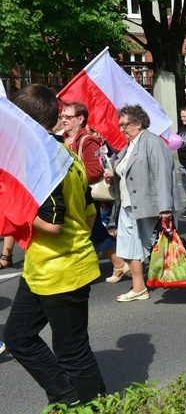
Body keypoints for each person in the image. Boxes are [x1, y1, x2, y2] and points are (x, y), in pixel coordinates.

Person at [3, 84, 106, 410]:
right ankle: (66, 397)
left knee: (73, 350)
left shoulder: (42, 158)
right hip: (45, 268)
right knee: (18, 337)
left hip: (61, 270)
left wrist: (7, 210)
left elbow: (52, 222)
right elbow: (89, 214)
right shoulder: (65, 154)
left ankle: (100, 413)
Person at [107, 105, 186, 301]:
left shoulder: (153, 142)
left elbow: (162, 177)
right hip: (129, 205)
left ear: (138, 123)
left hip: (151, 206)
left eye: (125, 125)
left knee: (160, 248)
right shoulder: (128, 146)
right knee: (129, 247)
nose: (122, 129)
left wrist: (165, 208)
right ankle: (139, 288)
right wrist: (113, 175)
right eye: (120, 125)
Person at [60, 101, 129, 283]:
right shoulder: (64, 138)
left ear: (80, 119)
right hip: (73, 196)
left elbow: (96, 170)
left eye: (68, 117)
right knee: (93, 231)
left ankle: (120, 262)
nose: (64, 120)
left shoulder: (88, 141)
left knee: (94, 231)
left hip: (85, 195)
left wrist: (73, 179)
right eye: (62, 116)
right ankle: (119, 262)